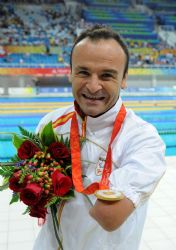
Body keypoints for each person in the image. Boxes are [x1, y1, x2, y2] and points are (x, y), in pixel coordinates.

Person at [33, 24, 166, 250]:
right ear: (70, 72)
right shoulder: (50, 124)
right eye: (83, 72)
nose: (93, 86)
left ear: (124, 79)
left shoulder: (143, 140)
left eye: (106, 75)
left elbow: (109, 217)